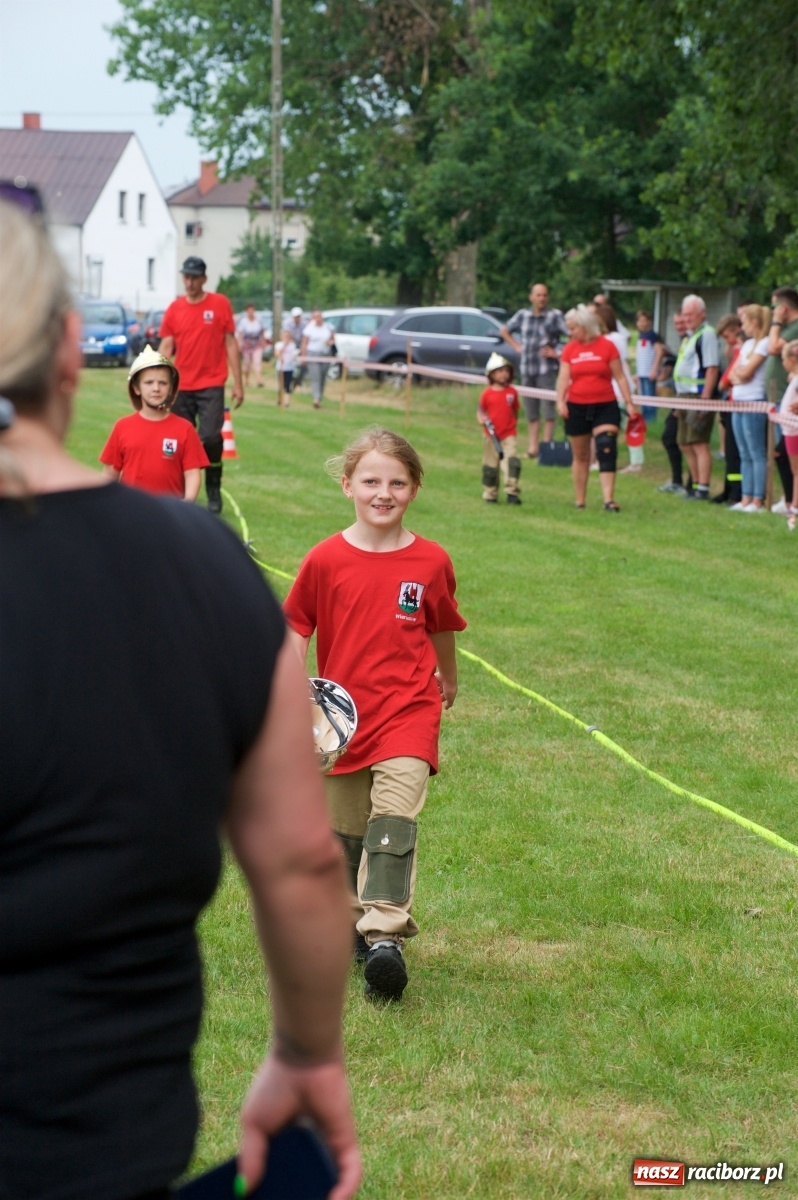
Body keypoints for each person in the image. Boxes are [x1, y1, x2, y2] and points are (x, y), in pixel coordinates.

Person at [0, 197, 361, 1200]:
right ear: (73, 352)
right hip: (99, 1146)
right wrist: (306, 1053)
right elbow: (297, 862)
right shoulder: (201, 567)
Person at [283, 427, 467, 1002]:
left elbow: (440, 624)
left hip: (408, 712)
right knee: (345, 835)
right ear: (347, 486)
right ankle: (351, 922)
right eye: (370, 481)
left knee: (393, 821)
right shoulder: (325, 559)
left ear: (414, 489)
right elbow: (296, 625)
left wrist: (449, 677)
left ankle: (385, 935)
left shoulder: (432, 560)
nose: (382, 492)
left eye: (396, 482)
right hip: (341, 722)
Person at [159, 256, 244, 514]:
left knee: (209, 438)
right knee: (178, 443)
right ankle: (182, 496)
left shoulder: (220, 304)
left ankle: (213, 489)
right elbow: (166, 346)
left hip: (211, 383)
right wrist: (155, 378)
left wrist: (238, 383)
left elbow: (230, 343)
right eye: (186, 277)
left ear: (204, 279)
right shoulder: (174, 309)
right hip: (181, 387)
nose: (189, 282)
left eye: (194, 277)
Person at [555, 304, 639, 511]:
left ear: (585, 326)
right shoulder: (570, 349)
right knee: (581, 455)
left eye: (574, 328)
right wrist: (560, 400)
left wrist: (629, 402)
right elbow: (563, 377)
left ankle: (608, 500)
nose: (570, 332)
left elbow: (620, 376)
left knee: (606, 447)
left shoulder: (607, 346)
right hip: (577, 406)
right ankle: (580, 500)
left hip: (605, 405)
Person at [99, 344, 209, 500]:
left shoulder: (185, 429)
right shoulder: (122, 427)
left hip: (171, 513)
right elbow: (110, 473)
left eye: (163, 383)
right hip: (131, 511)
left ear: (171, 388)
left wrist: (187, 503)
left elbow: (192, 473)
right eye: (149, 383)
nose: (156, 388)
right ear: (136, 388)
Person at [500, 282, 568, 458]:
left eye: (544, 295)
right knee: (531, 411)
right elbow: (504, 330)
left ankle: (546, 447)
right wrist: (516, 346)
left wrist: (557, 352)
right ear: (531, 297)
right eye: (538, 295)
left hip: (546, 369)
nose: (542, 298)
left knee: (548, 409)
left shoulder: (554, 316)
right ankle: (533, 448)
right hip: (527, 368)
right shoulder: (523, 315)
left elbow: (573, 335)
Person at [675, 294, 720, 501]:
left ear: (702, 314)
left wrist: (705, 399)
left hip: (697, 394)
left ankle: (703, 487)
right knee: (684, 442)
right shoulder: (690, 335)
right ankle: (693, 483)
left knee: (698, 442)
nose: (686, 318)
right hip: (683, 395)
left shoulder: (707, 334)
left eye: (690, 314)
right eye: (684, 314)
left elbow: (711, 368)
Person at [728, 304, 771, 512]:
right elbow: (733, 374)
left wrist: (740, 375)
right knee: (743, 451)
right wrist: (739, 375)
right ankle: (745, 497)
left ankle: (757, 498)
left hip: (754, 401)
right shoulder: (746, 346)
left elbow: (745, 374)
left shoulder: (763, 344)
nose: (741, 327)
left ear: (754, 322)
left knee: (756, 451)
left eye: (744, 322)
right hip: (738, 401)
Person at [595, 303, 643, 474]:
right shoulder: (616, 338)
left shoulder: (612, 339)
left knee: (628, 427)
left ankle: (635, 462)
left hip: (617, 389)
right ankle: (606, 458)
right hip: (617, 388)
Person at [766, 287, 798, 514]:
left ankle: (791, 500)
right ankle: (789, 498)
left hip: (789, 400)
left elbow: (773, 347)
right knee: (784, 453)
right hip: (781, 400)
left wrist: (776, 324)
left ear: (784, 307)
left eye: (775, 307)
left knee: (786, 454)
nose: (773, 312)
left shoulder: (794, 327)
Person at [477, 352, 522, 504]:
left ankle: (512, 492)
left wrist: (512, 425)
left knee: (512, 462)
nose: (504, 374)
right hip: (491, 436)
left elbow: (515, 411)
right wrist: (482, 420)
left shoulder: (512, 392)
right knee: (491, 464)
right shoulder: (487, 394)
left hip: (508, 434)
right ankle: (490, 494)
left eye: (506, 371)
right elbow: (481, 412)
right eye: (499, 371)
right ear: (491, 374)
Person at [657, 311, 691, 494]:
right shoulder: (684, 341)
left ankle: (693, 484)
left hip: (691, 399)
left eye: (682, 323)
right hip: (680, 397)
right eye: (676, 323)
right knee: (670, 437)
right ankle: (678, 480)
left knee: (689, 442)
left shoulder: (695, 340)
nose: (679, 327)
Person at [713, 314, 744, 506]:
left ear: (736, 330)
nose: (728, 341)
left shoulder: (742, 349)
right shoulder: (734, 350)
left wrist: (724, 383)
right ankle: (728, 489)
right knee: (730, 453)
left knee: (735, 453)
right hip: (731, 404)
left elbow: (726, 379)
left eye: (727, 336)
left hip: (738, 405)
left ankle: (736, 493)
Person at [777, 340, 798, 530]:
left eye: (783, 359)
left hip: (794, 430)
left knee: (796, 470)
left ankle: (795, 506)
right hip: (790, 429)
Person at [300, 307, 337, 409]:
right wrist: (303, 356)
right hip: (312, 354)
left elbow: (333, 340)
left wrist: (329, 342)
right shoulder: (309, 328)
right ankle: (315, 398)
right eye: (315, 316)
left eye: (319, 316)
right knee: (315, 377)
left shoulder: (328, 327)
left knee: (322, 377)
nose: (317, 318)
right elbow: (304, 343)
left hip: (325, 354)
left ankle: (319, 397)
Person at [633, 309, 665, 423]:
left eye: (644, 320)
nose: (642, 323)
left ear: (649, 322)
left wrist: (654, 369)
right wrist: (637, 372)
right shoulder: (641, 336)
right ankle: (645, 421)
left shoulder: (651, 335)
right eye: (639, 321)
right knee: (643, 398)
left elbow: (659, 351)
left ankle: (651, 421)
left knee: (649, 398)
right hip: (642, 373)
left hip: (649, 373)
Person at [236, 303, 267, 388]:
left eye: (252, 310)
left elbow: (262, 332)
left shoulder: (258, 320)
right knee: (247, 364)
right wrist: (239, 344)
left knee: (257, 362)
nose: (251, 312)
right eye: (249, 310)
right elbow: (240, 334)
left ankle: (259, 380)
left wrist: (264, 342)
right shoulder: (244, 321)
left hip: (256, 343)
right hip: (247, 344)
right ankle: (246, 380)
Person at [283, 306, 306, 390]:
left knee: (302, 367)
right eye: (295, 317)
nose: (297, 318)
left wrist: (301, 350)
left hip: (300, 347)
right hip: (290, 347)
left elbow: (304, 338)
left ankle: (297, 381)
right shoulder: (287, 323)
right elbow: (287, 335)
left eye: (298, 316)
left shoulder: (304, 324)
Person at [274, 334, 299, 405]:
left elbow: (294, 354)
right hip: (280, 367)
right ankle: (279, 398)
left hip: (289, 368)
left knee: (288, 385)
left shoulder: (292, 345)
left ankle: (287, 401)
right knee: (280, 385)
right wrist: (284, 345)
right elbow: (277, 353)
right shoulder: (279, 344)